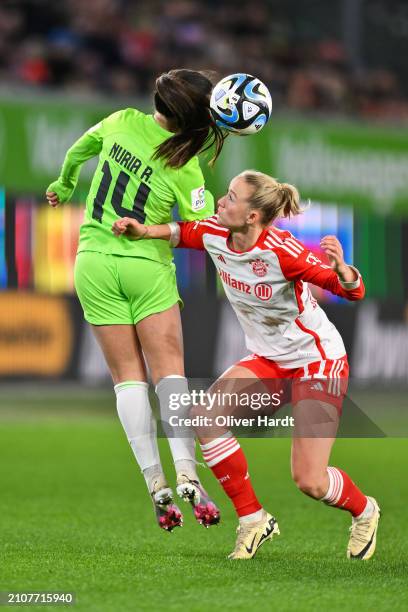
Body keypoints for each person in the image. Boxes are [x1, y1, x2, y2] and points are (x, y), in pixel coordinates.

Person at [112, 169, 381, 560]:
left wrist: (345, 271)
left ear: (253, 216)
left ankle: (365, 510)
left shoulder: (283, 250)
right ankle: (253, 519)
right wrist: (142, 230)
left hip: (316, 362)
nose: (221, 201)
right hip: (268, 360)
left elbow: (350, 291)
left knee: (310, 481)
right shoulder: (215, 233)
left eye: (231, 197)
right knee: (205, 417)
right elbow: (181, 232)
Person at [46, 69, 226, 531]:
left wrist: (66, 183)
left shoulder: (121, 120)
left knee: (127, 379)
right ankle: (186, 469)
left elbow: (76, 152)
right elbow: (203, 229)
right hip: (145, 265)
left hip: (92, 261)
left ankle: (155, 482)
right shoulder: (186, 165)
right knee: (169, 373)